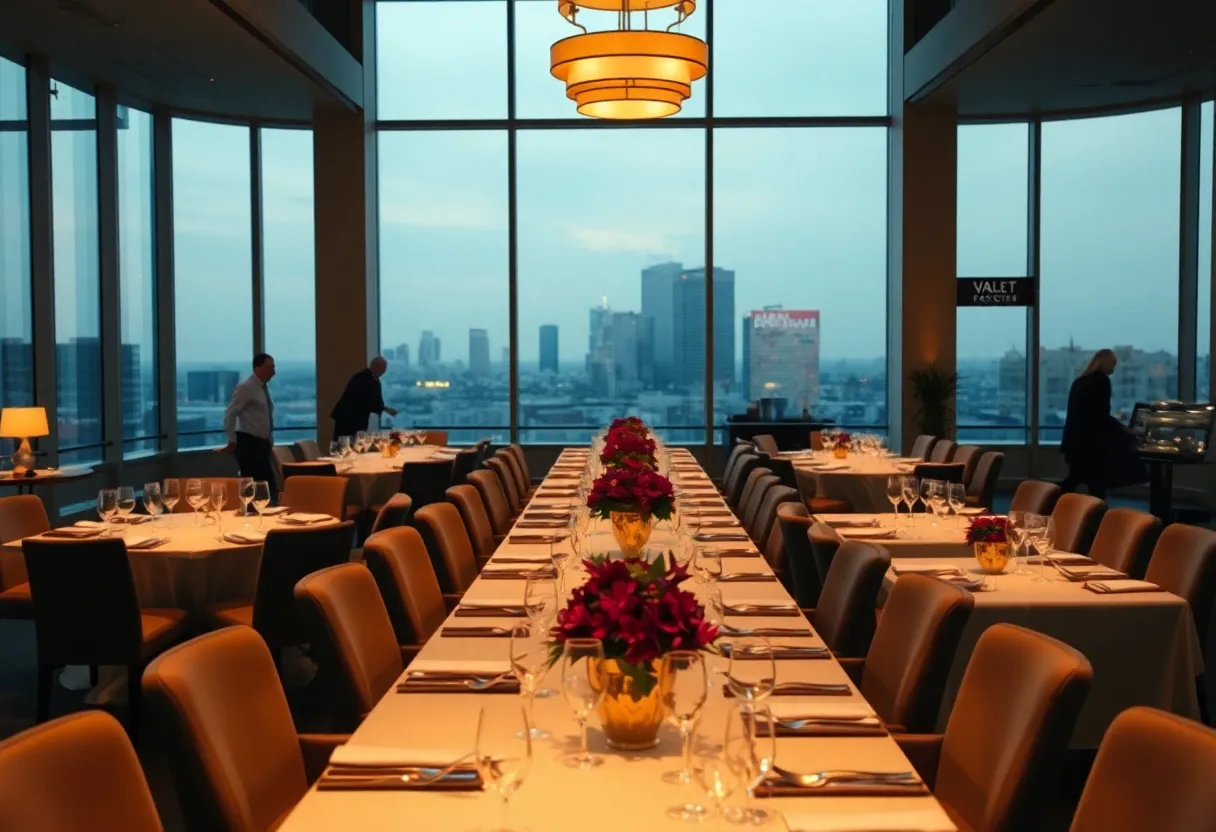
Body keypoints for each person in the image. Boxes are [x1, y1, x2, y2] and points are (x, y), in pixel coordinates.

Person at [1060, 348, 1145, 498]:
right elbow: (1100, 415)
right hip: (1091, 444)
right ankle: (1094, 516)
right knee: (1096, 485)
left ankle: (1049, 504)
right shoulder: (1101, 382)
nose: (1114, 368)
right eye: (1112, 365)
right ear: (1104, 364)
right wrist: (1124, 429)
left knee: (1076, 479)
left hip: (1074, 442)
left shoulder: (1080, 381)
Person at [220, 353, 277, 494]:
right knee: (254, 488)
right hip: (250, 444)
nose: (273, 372)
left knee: (266, 487)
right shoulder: (246, 388)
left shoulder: (262, 387)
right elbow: (231, 413)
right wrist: (232, 439)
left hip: (262, 444)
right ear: (258, 368)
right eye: (270, 368)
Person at [331, 356, 397, 439]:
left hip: (356, 418)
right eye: (383, 368)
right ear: (375, 366)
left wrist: (385, 409)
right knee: (345, 444)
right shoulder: (362, 378)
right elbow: (367, 400)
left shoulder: (372, 379)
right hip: (348, 419)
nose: (384, 371)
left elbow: (373, 401)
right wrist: (385, 409)